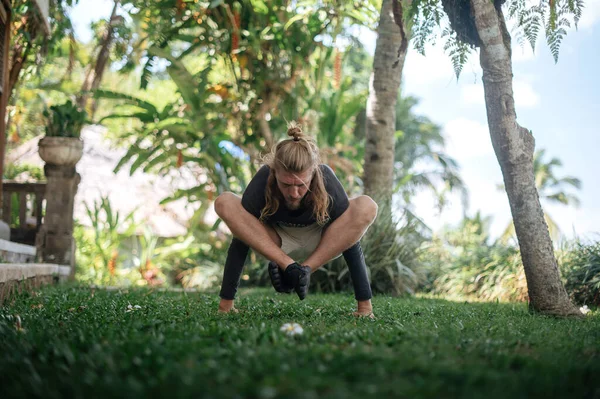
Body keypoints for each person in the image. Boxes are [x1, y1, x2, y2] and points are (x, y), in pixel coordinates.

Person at [214, 122, 378, 316]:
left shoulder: (327, 182)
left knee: (367, 206)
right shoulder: (262, 182)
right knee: (225, 201)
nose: (293, 193)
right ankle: (288, 267)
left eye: (301, 184)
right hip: (275, 241)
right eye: (285, 184)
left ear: (314, 173)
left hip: (321, 242)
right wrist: (226, 306)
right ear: (274, 172)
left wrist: (364, 307)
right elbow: (241, 236)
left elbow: (351, 240)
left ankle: (304, 271)